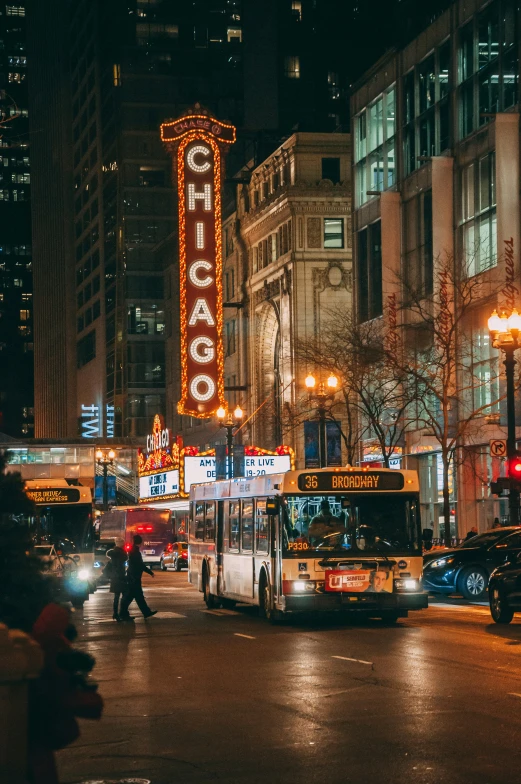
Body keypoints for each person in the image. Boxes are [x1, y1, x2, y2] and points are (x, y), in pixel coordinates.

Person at [119, 535, 157, 621]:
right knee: (132, 596)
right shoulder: (136, 552)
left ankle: (145, 612)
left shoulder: (133, 550)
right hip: (134, 577)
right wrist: (150, 572)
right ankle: (123, 613)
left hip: (132, 576)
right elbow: (140, 565)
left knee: (136, 596)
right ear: (140, 542)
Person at [105, 538, 127, 621]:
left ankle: (117, 613)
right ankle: (121, 613)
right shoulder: (120, 553)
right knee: (125, 595)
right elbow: (121, 564)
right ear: (120, 543)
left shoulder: (114, 553)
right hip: (119, 577)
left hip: (115, 577)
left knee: (117, 596)